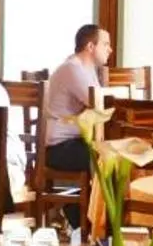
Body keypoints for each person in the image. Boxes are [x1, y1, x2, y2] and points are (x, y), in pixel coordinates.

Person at [42, 23, 112, 174]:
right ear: (90, 47)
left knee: (115, 152)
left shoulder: (87, 69)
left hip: (74, 141)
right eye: (106, 44)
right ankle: (102, 198)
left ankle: (104, 198)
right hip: (59, 148)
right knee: (110, 158)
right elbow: (98, 103)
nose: (110, 49)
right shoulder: (73, 68)